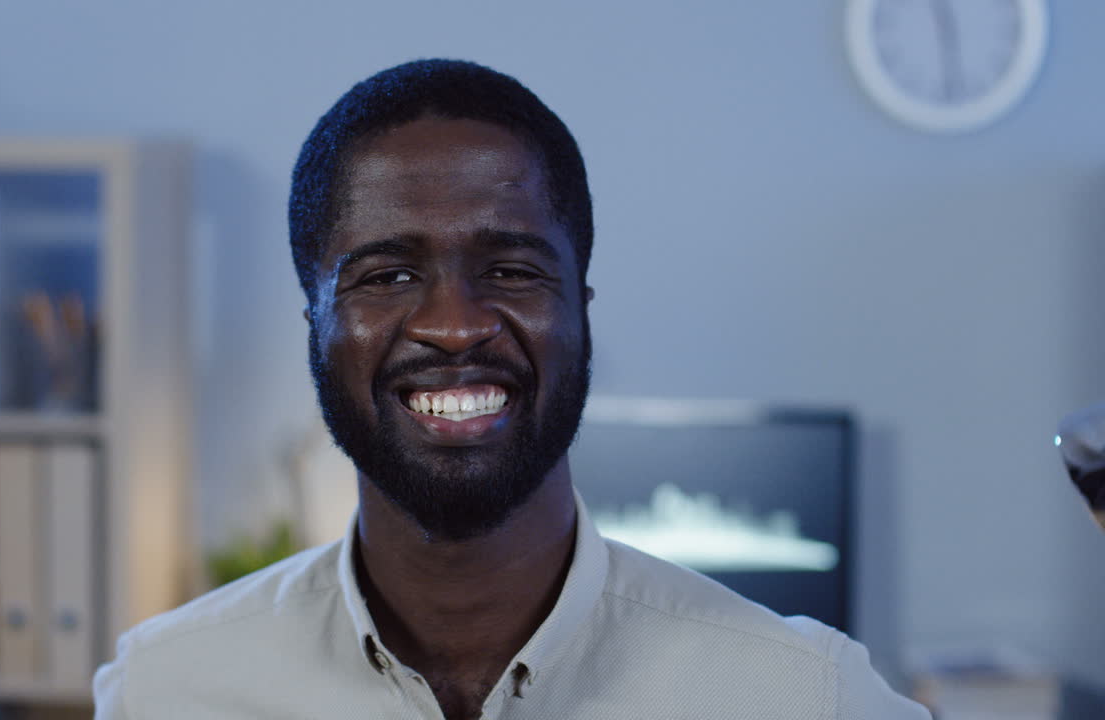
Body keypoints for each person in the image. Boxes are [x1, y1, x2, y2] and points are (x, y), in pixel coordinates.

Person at [94, 59, 928, 719]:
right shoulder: (165, 692)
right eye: (387, 275)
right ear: (314, 322)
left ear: (582, 311)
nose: (455, 327)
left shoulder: (803, 698)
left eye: (511, 269)